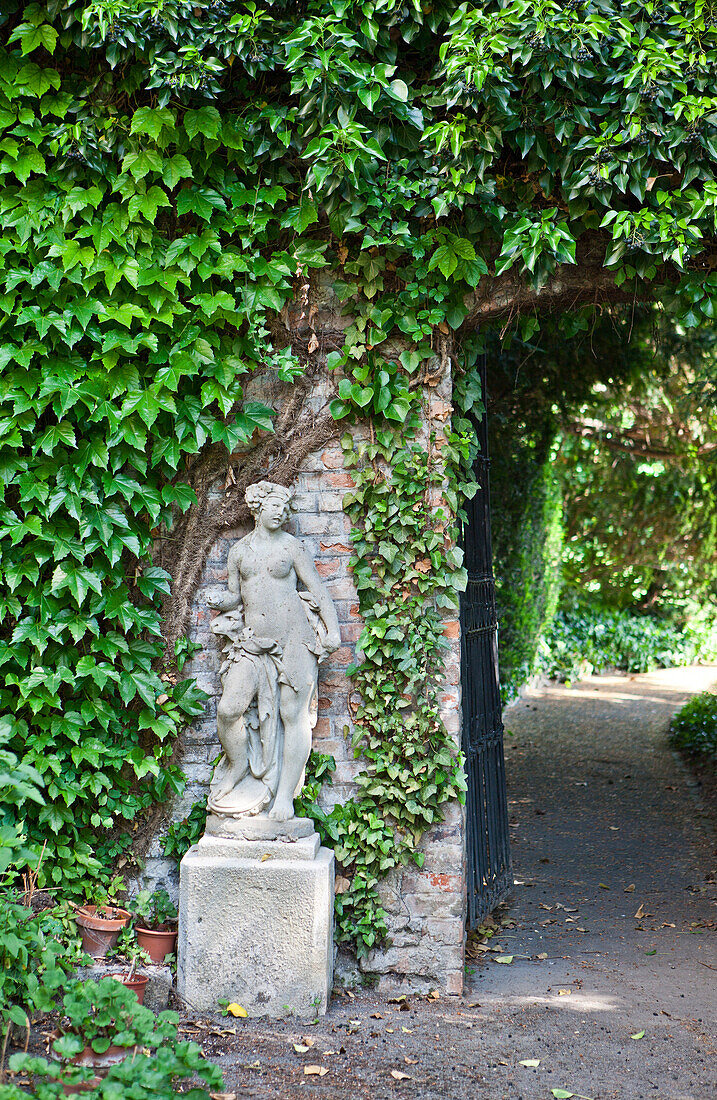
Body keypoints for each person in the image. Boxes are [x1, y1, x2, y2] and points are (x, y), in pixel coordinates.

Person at [205, 481, 341, 822]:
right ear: (258, 509)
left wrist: (333, 631)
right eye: (275, 506)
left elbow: (318, 590)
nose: (281, 512)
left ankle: (284, 798)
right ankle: (237, 767)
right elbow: (237, 596)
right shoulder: (239, 552)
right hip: (251, 643)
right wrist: (220, 600)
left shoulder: (291, 547)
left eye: (285, 508)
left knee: (292, 717)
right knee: (228, 708)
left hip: (295, 640)